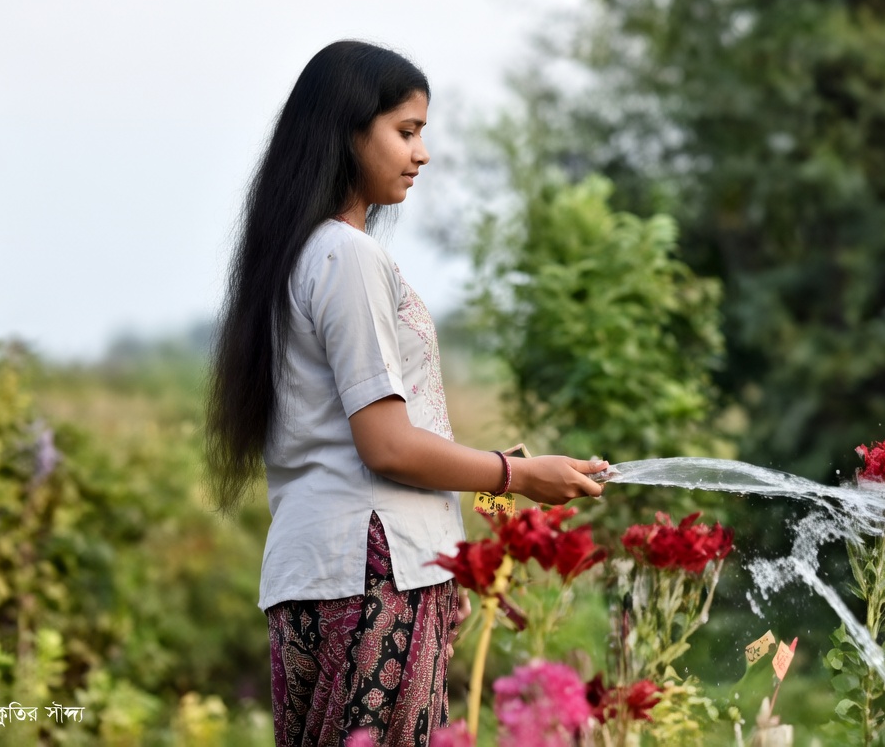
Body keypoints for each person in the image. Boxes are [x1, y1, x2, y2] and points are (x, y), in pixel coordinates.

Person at [204, 40, 608, 747]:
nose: (421, 154)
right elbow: (386, 445)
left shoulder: (295, 255)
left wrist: (495, 470)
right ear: (346, 130)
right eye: (406, 131)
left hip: (313, 574)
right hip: (376, 573)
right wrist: (517, 477)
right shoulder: (349, 256)